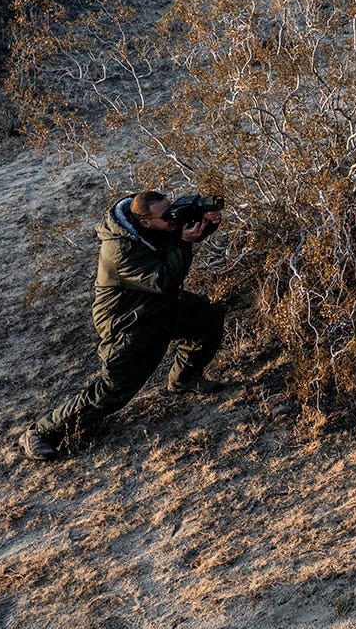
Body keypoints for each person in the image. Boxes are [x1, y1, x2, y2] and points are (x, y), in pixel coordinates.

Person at [20, 190, 227, 460]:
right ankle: (41, 432)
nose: (173, 217)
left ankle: (184, 379)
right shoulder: (120, 249)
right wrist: (185, 243)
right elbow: (164, 278)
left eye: (172, 207)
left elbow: (173, 240)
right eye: (167, 215)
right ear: (144, 222)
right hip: (127, 321)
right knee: (114, 390)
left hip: (157, 307)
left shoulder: (152, 225)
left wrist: (207, 224)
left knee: (207, 317)